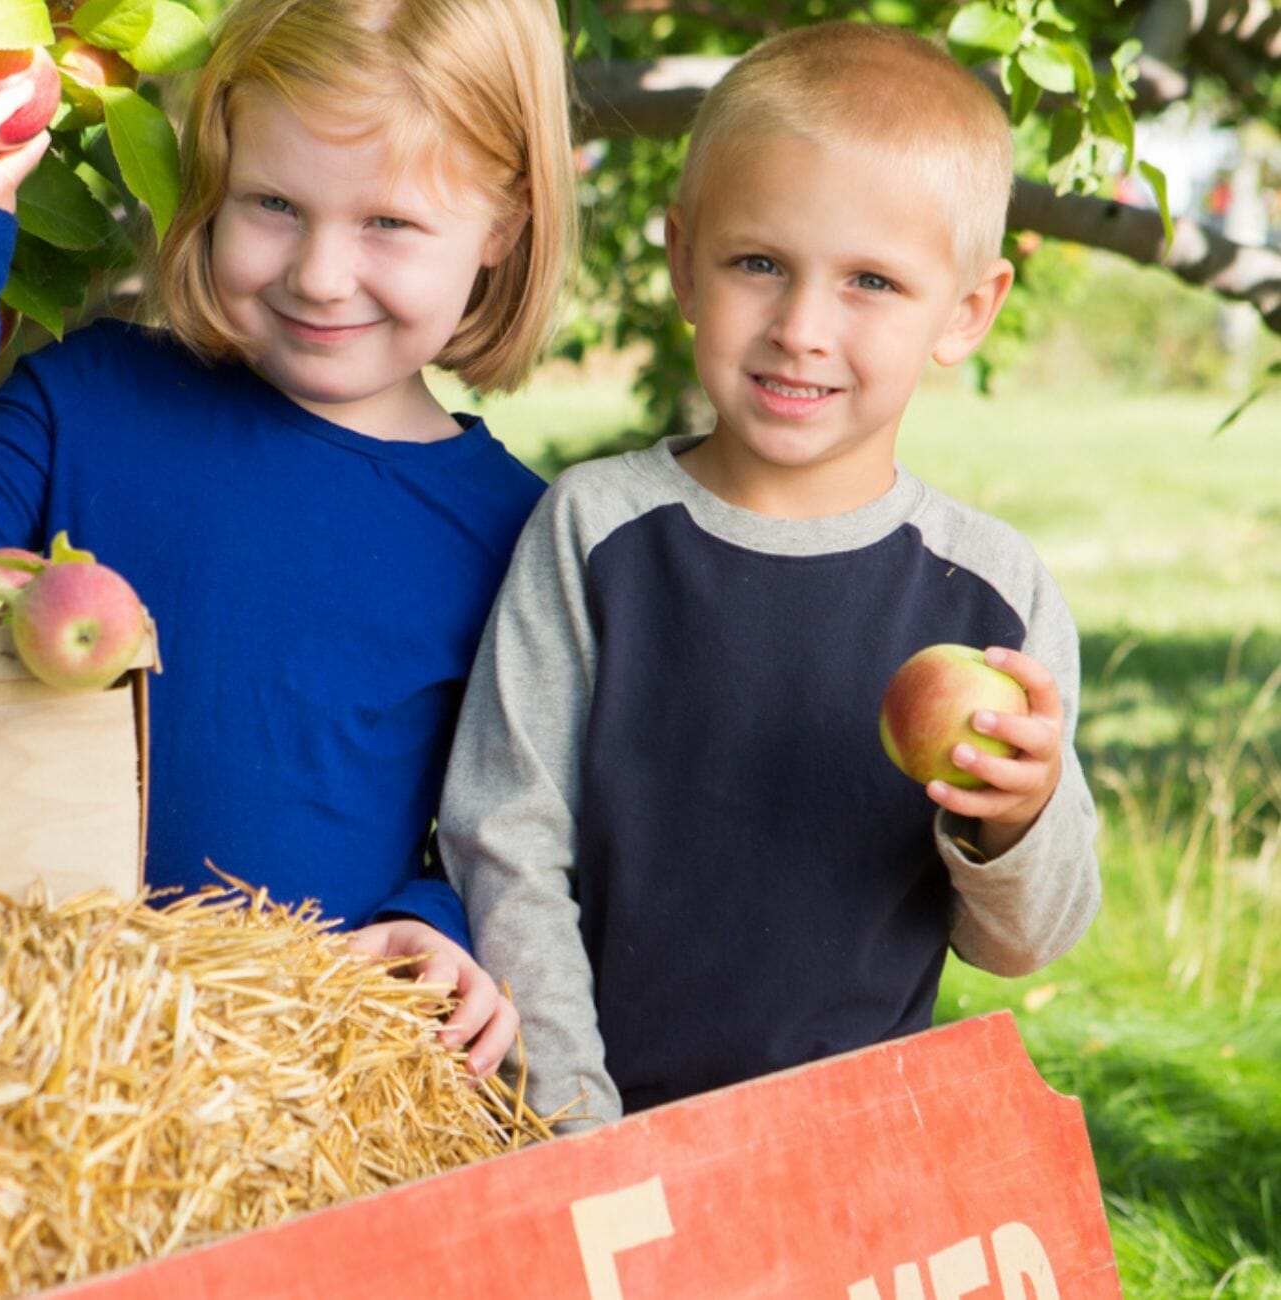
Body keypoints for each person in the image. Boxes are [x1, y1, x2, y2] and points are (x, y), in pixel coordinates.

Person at [0, 0, 578, 1077]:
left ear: (503, 221)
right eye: (273, 203)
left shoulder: (514, 534)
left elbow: (500, 830)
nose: (319, 274)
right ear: (213, 181)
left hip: (284, 1087)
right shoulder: (90, 399)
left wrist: (431, 918)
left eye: (389, 225)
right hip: (10, 1051)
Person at [438, 22, 1102, 1125]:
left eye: (872, 282)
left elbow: (1022, 940)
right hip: (598, 1132)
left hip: (851, 1163)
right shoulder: (598, 532)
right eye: (759, 263)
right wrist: (574, 1127)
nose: (801, 328)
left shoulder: (991, 592)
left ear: (967, 313)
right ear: (682, 261)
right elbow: (505, 843)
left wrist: (1017, 819)